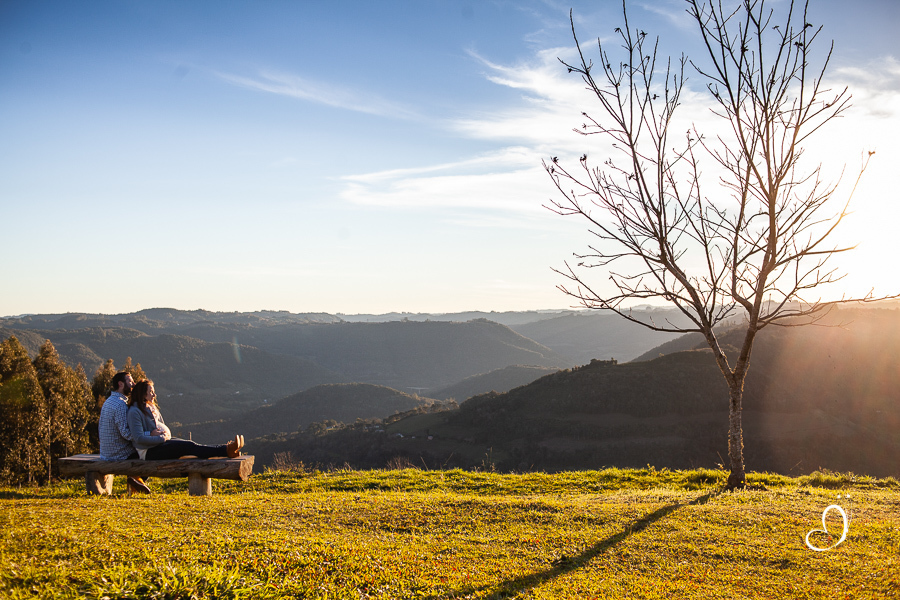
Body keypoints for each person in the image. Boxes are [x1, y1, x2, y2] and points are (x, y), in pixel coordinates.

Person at [127, 379, 244, 461]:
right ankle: (227, 450)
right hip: (148, 452)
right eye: (151, 392)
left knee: (190, 444)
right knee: (188, 446)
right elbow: (138, 438)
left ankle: (228, 449)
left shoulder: (149, 407)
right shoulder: (134, 412)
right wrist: (162, 437)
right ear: (143, 394)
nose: (154, 395)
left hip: (158, 444)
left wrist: (163, 435)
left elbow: (159, 425)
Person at [98, 371, 151, 494]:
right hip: (119, 453)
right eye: (130, 381)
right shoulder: (121, 404)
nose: (133, 384)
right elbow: (126, 433)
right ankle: (137, 483)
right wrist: (148, 435)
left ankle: (136, 482)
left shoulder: (109, 401)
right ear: (121, 384)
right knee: (149, 454)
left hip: (106, 453)